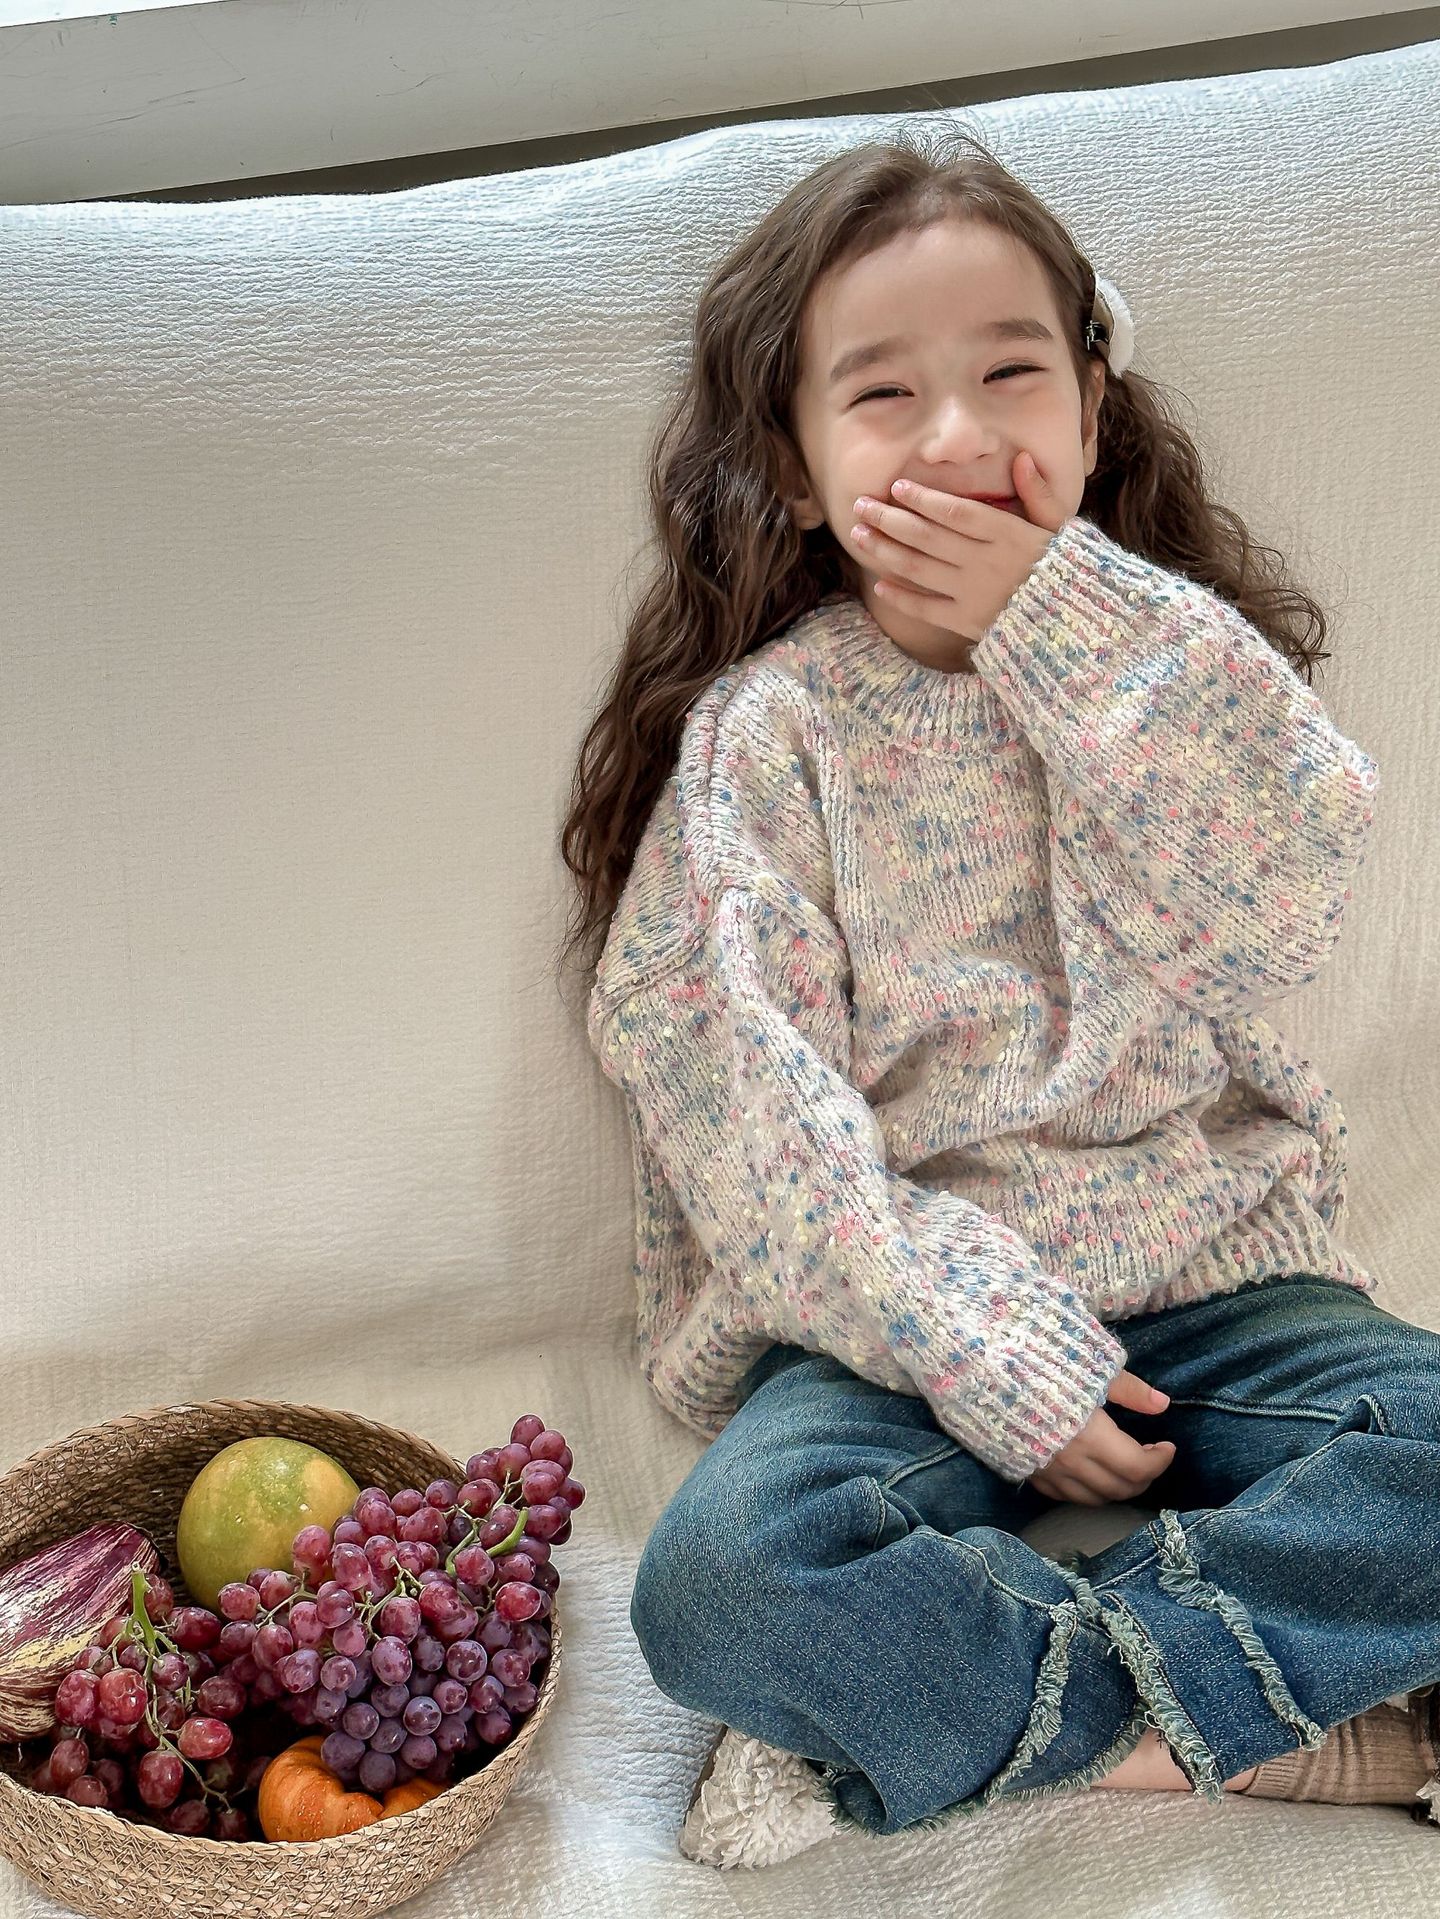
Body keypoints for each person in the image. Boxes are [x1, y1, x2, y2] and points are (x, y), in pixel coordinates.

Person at [555, 115, 1440, 1868]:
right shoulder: (769, 737)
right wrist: (973, 1340)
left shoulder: (1172, 655)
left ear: (1091, 410)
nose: (958, 437)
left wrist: (1068, 620)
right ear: (794, 464)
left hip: (1218, 1282)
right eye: (884, 395)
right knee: (724, 1585)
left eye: (1011, 374)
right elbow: (746, 1114)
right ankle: (1305, 1730)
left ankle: (986, 1726)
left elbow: (1280, 916)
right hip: (895, 1325)